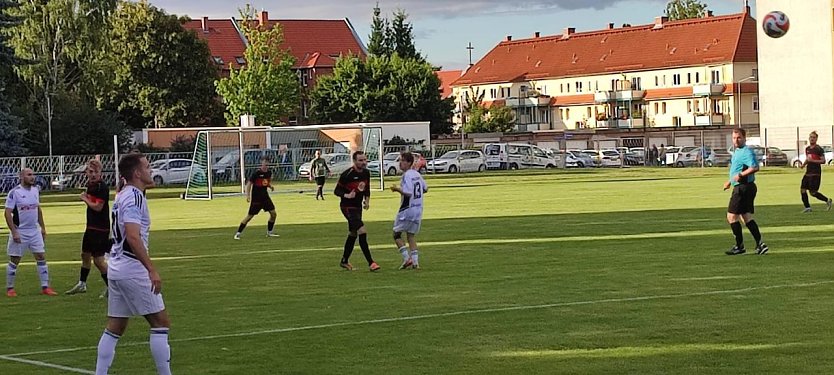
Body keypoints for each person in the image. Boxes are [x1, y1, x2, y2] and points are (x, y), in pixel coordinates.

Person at [95, 153, 171, 375]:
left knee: (116, 326)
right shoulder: (133, 197)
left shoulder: (123, 194)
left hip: (117, 266)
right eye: (147, 167)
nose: (151, 170)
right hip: (131, 267)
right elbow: (132, 236)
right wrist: (151, 269)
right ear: (137, 173)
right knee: (161, 322)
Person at [4, 168, 57, 297]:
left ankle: (45, 287)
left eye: (33, 174)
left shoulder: (35, 190)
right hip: (20, 231)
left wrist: (43, 228)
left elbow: (38, 209)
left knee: (41, 256)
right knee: (15, 259)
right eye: (29, 175)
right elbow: (7, 213)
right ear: (21, 177)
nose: (32, 177)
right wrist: (14, 232)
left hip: (34, 231)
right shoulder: (14, 193)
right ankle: (10, 288)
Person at [66, 159, 110, 297]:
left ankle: (113, 286)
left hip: (100, 228)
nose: (92, 175)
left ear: (100, 172)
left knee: (98, 260)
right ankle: (82, 284)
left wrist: (85, 199)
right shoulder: (90, 185)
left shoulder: (101, 187)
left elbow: (98, 207)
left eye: (95, 172)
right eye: (90, 172)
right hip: (91, 226)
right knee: (85, 254)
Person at [723, 128, 768, 256]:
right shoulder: (737, 151)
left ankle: (739, 246)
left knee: (731, 217)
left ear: (744, 138)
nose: (736, 140)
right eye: (734, 138)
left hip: (743, 188)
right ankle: (760, 244)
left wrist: (741, 175)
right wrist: (730, 181)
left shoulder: (746, 152)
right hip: (744, 186)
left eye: (739, 138)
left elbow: (755, 167)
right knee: (746, 217)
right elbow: (736, 170)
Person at [334, 151, 379, 272]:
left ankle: (344, 260)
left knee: (353, 233)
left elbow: (367, 189)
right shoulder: (347, 174)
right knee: (362, 231)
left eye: (365, 160)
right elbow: (336, 191)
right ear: (354, 161)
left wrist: (367, 201)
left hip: (358, 207)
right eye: (360, 160)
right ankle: (371, 262)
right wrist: (347, 195)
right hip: (347, 207)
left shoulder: (366, 173)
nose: (364, 162)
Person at [391, 152, 428, 270]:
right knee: (411, 235)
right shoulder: (417, 174)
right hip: (418, 209)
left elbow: (408, 193)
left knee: (396, 234)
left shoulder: (407, 175)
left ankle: (407, 258)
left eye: (402, 161)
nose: (400, 163)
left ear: (408, 163)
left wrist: (397, 189)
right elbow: (425, 188)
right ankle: (416, 262)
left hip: (407, 209)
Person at [234, 157, 278, 240]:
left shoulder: (269, 173)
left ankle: (269, 232)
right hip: (256, 199)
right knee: (249, 216)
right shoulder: (256, 174)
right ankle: (238, 233)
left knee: (273, 214)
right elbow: (249, 184)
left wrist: (270, 186)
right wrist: (248, 195)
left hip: (265, 197)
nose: (265, 165)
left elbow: (265, 182)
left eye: (266, 163)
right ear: (261, 164)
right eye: (264, 163)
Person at [800, 131, 833, 213]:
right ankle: (807, 207)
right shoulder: (807, 149)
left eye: (814, 137)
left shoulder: (818, 149)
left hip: (815, 173)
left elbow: (823, 161)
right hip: (808, 172)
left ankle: (827, 200)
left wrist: (813, 160)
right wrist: (803, 165)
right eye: (811, 137)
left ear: (816, 139)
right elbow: (808, 159)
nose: (812, 139)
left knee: (813, 192)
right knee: (802, 189)